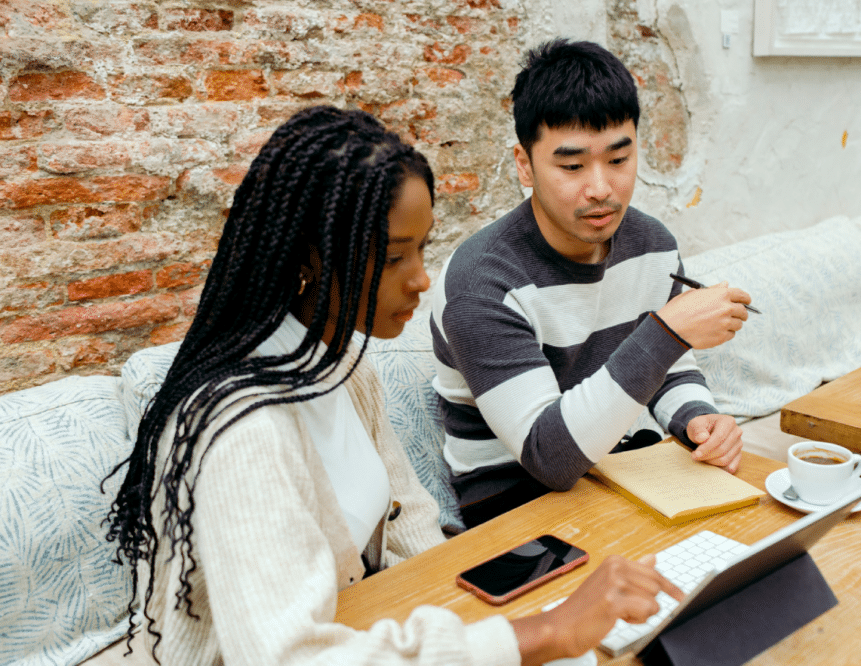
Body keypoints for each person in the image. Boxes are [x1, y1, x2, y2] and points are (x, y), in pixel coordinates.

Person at [103, 105, 683, 666]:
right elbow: (287, 657)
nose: (421, 279)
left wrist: (491, 622)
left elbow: (412, 526)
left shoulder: (342, 365)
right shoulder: (241, 429)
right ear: (311, 260)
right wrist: (541, 634)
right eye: (392, 257)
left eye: (423, 247)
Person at [430, 39, 752, 526]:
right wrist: (667, 331)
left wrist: (696, 419)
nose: (601, 188)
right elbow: (548, 456)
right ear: (525, 164)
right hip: (516, 514)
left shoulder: (651, 244)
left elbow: (668, 370)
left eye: (618, 160)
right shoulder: (481, 281)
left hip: (618, 475)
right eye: (572, 166)